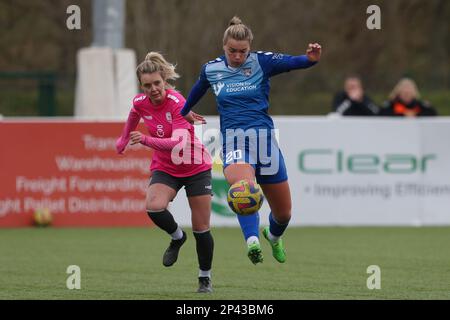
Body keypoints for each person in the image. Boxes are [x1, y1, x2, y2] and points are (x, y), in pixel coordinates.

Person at [180, 16, 321, 265]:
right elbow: (197, 90)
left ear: (250, 47)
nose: (237, 56)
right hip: (234, 141)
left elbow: (291, 62)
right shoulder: (212, 69)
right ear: (224, 47)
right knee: (243, 190)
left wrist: (309, 59)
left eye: (242, 51)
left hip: (265, 142)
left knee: (284, 213)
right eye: (232, 51)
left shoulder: (261, 62)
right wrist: (183, 113)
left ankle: (273, 237)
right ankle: (252, 241)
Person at [115, 52, 214, 293]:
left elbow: (178, 142)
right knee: (153, 206)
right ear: (142, 86)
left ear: (164, 81)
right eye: (147, 85)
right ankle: (178, 237)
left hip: (195, 166)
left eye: (157, 83)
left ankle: (204, 278)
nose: (153, 89)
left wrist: (145, 140)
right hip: (166, 167)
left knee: (201, 227)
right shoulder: (140, 101)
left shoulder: (178, 102)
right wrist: (123, 138)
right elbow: (133, 115)